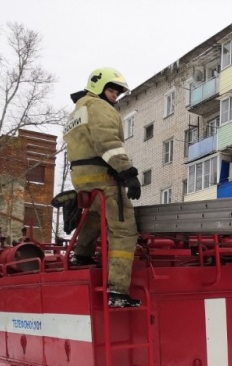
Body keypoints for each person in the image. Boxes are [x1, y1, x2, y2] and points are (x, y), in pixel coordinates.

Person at [63, 67, 142, 308]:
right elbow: (107, 141)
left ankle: (81, 256)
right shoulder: (99, 108)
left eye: (118, 92)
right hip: (103, 177)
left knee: (95, 216)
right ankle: (117, 291)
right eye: (111, 90)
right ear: (97, 87)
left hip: (82, 179)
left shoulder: (77, 111)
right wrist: (127, 172)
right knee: (124, 230)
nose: (115, 96)